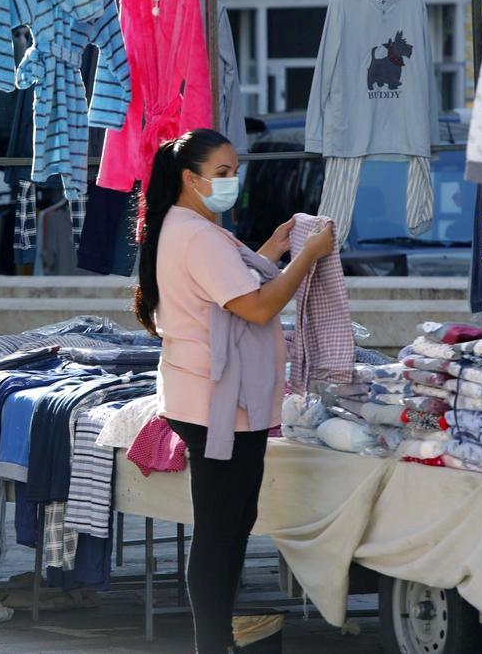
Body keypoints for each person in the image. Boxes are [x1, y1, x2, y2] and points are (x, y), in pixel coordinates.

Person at [134, 130, 335, 654]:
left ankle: (217, 638)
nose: (231, 183)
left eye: (233, 172)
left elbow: (235, 278)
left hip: (207, 397)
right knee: (221, 530)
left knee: (230, 523)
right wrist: (307, 257)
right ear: (189, 179)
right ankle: (212, 643)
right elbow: (257, 306)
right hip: (214, 403)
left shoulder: (189, 227)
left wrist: (275, 246)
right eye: (221, 174)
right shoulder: (196, 234)